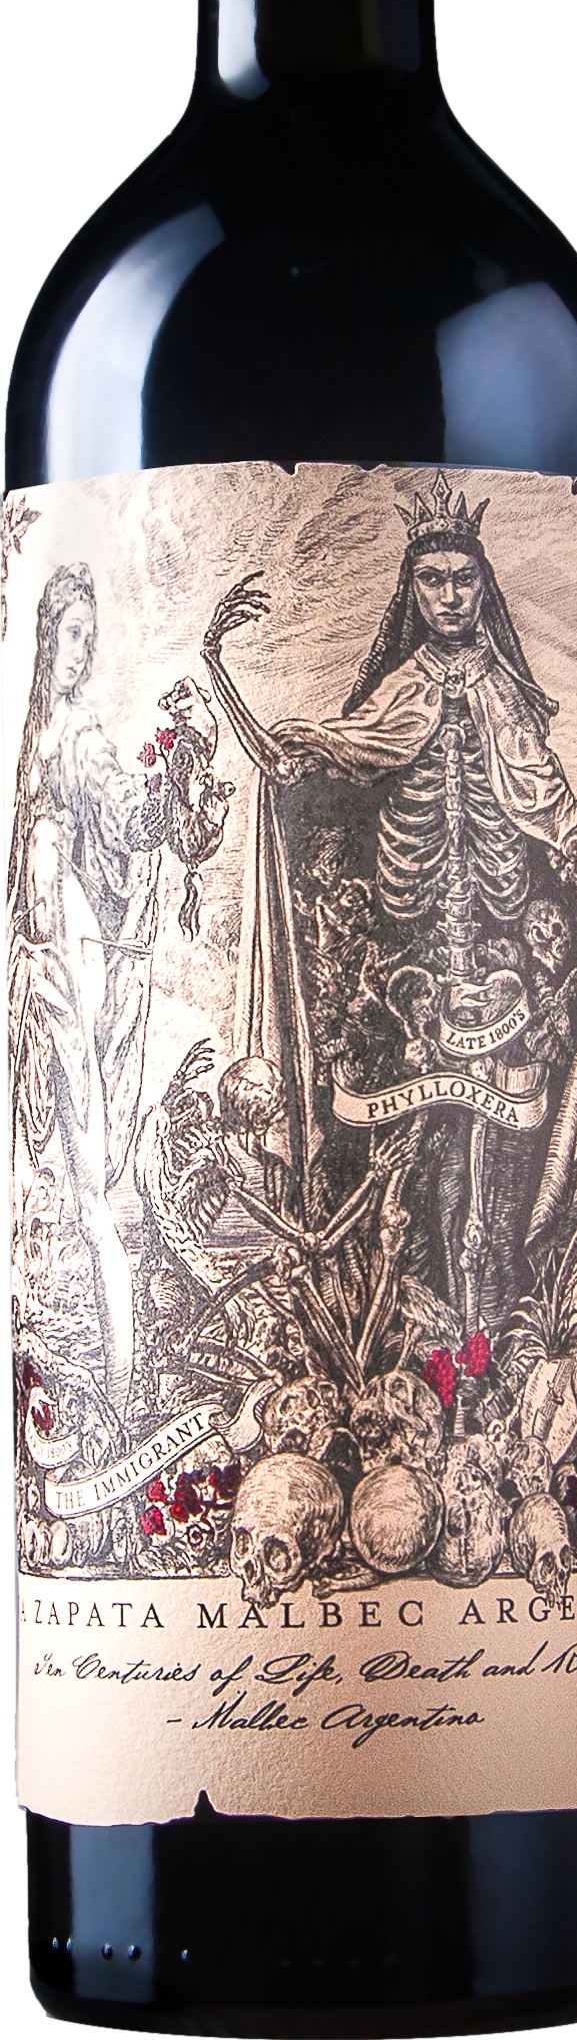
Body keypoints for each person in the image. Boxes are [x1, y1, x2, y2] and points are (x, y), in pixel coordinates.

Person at [202, 473, 577, 1331]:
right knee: (405, 1159)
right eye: (432, 579)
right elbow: (296, 758)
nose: (449, 595)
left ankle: (488, 1323)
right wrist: (215, 666)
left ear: (483, 585)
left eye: (463, 578)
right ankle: (400, 1323)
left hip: (499, 960)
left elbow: (543, 793)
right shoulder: (401, 691)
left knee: (496, 1152)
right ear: (411, 590)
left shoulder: (503, 696)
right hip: (406, 971)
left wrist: (576, 845)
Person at [6, 564, 167, 1420]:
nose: (83, 652)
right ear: (46, 634)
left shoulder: (79, 734)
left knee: (93, 1193)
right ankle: (90, 1379)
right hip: (34, 972)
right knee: (62, 1191)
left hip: (71, 965)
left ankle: (122, 1387)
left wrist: (158, 803)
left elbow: (122, 808)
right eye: (73, 634)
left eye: (90, 638)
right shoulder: (32, 731)